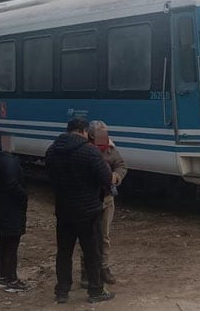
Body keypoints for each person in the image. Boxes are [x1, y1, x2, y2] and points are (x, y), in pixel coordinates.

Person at [45, 117, 114, 304]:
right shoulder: (89, 152)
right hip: (88, 211)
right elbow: (106, 178)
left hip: (64, 210)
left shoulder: (52, 151)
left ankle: (62, 291)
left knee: (64, 252)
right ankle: (96, 291)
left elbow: (50, 176)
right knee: (92, 252)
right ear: (84, 131)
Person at [0, 133, 31, 292]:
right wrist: (23, 197)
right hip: (11, 208)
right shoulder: (8, 160)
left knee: (2, 243)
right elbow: (12, 184)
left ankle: (2, 277)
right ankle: (11, 279)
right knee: (12, 245)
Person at [79, 120, 127, 287]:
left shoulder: (110, 148)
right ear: (91, 134)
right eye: (101, 133)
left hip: (107, 198)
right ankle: (86, 270)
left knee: (104, 236)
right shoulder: (85, 150)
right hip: (90, 199)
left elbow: (121, 165)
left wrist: (117, 176)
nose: (105, 136)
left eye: (106, 132)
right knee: (89, 236)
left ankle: (103, 267)